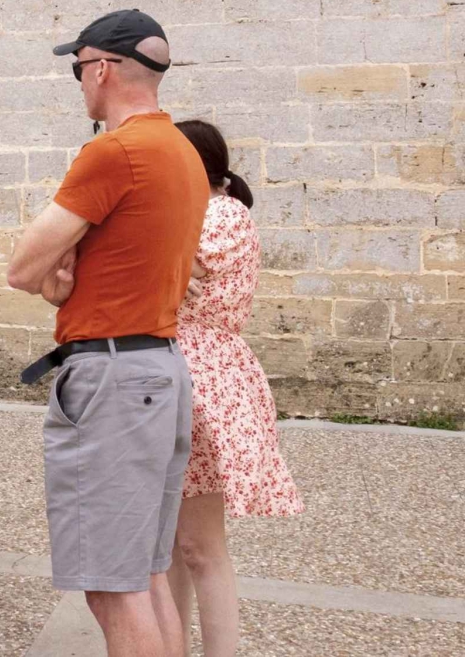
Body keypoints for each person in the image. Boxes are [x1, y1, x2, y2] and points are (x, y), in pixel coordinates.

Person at [6, 8, 207, 657]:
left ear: (101, 68)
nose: (79, 82)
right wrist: (68, 281)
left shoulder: (114, 150)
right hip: (159, 368)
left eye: (78, 69)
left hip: (114, 377)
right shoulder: (181, 151)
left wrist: (53, 273)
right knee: (145, 574)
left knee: (112, 588)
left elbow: (22, 266)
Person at [166, 119, 303, 657]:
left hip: (204, 382)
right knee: (172, 546)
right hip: (179, 375)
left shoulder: (221, 215)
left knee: (200, 547)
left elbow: (154, 264)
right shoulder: (195, 214)